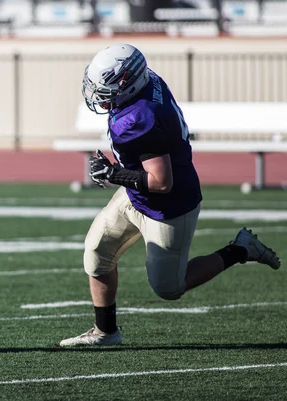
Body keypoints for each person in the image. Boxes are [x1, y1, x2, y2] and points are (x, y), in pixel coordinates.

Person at [59, 43, 281, 347]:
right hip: (136, 194)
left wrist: (113, 174)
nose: (99, 94)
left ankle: (241, 249)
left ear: (127, 81)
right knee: (97, 252)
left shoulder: (137, 119)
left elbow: (161, 182)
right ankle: (106, 332)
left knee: (169, 288)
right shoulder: (148, 81)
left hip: (168, 206)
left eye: (106, 87)